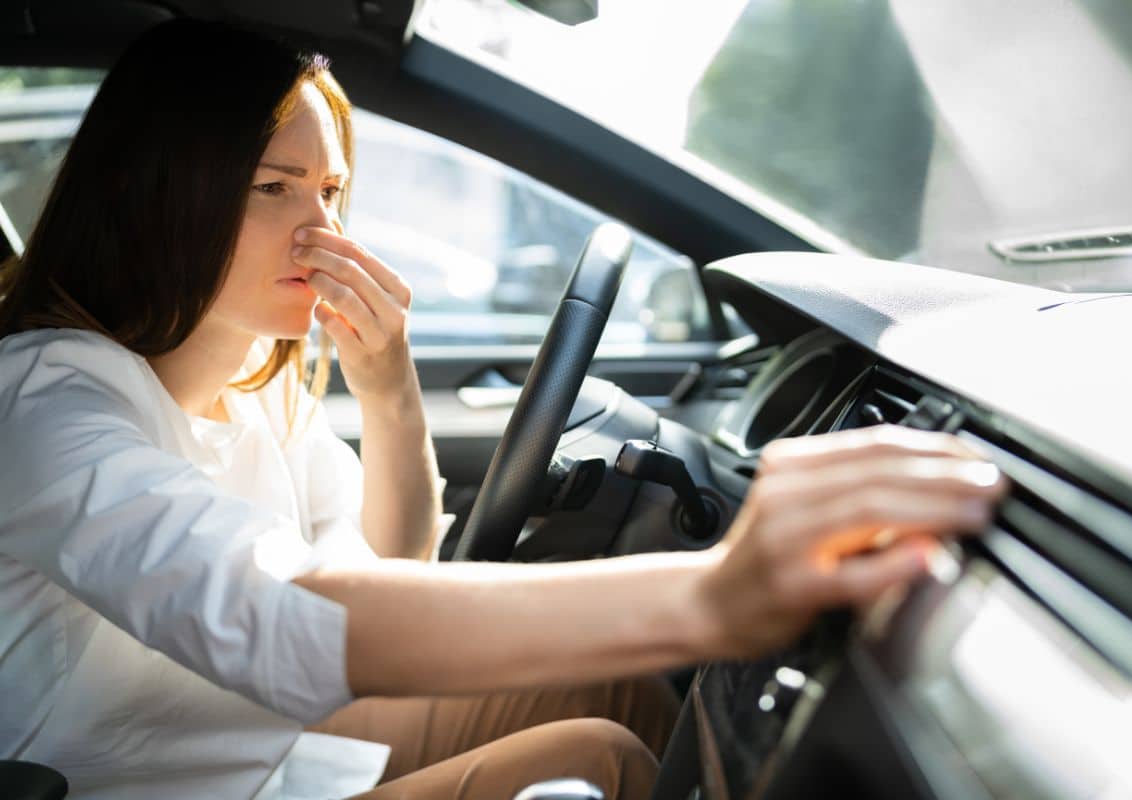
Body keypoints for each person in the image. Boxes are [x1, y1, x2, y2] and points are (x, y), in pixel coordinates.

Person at [0, 19, 1006, 800]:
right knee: (598, 753)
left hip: (263, 747)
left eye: (333, 190)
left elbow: (385, 577)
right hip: (161, 781)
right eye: (276, 187)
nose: (322, 227)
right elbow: (274, 607)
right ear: (161, 191)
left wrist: (387, 389)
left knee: (617, 693)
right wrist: (708, 593)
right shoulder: (48, 400)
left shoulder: (255, 378)